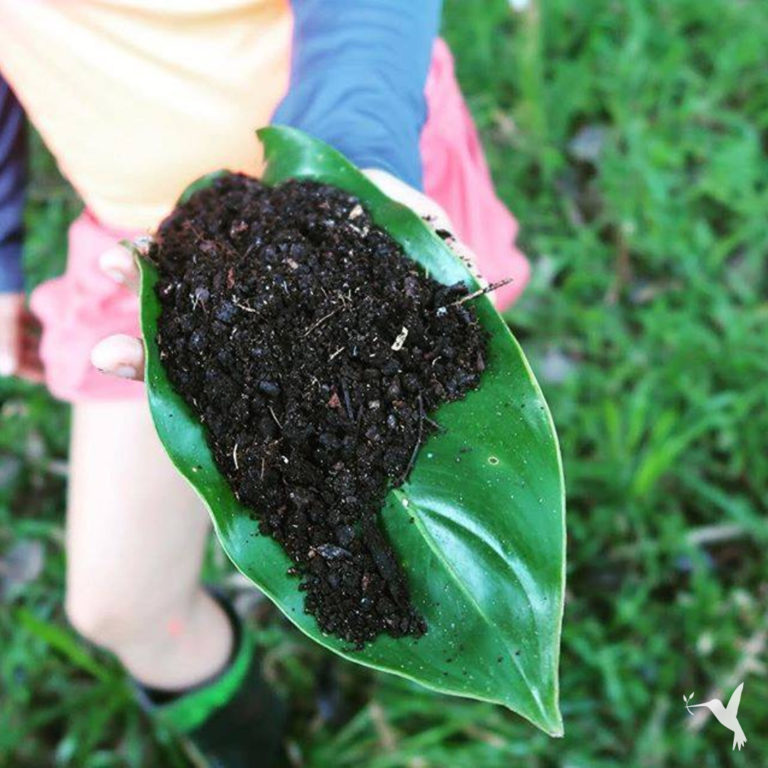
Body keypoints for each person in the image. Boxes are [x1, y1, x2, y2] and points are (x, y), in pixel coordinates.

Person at [0, 1, 529, 764]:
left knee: (403, 451)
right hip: (144, 252)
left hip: (346, 183)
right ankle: (254, 749)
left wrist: (346, 173)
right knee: (120, 606)